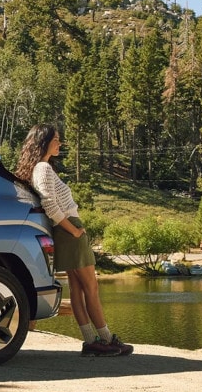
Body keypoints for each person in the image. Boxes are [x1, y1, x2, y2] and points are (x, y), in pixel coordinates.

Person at [15, 123, 133, 357]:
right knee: (91, 288)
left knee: (78, 289)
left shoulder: (39, 168)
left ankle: (92, 341)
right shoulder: (43, 168)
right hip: (69, 231)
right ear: (44, 142)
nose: (60, 143)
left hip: (64, 233)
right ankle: (107, 339)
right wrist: (75, 231)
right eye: (56, 139)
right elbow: (50, 204)